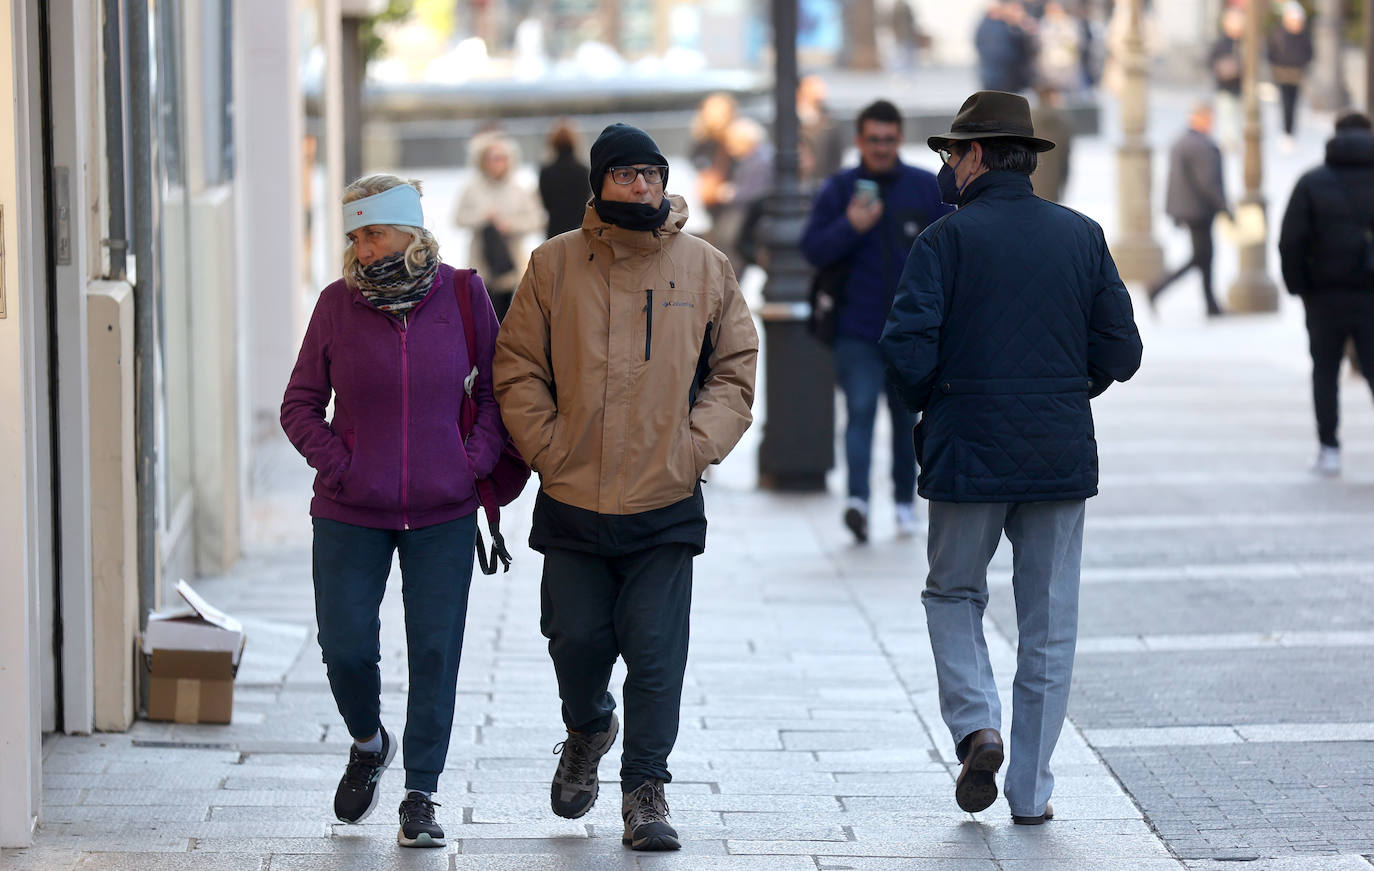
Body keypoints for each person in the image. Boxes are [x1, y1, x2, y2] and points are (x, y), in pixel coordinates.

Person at [493, 123, 758, 852]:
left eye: (652, 174)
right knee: (574, 638)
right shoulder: (552, 265)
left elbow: (736, 364)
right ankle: (586, 727)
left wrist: (694, 447)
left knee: (655, 651)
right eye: (626, 175)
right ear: (600, 184)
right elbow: (515, 366)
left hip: (664, 500)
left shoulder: (704, 266)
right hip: (574, 495)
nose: (642, 187)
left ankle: (646, 789)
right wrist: (549, 448)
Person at [880, 90, 1142, 826]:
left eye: (949, 153)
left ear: (976, 156)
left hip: (967, 448)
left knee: (954, 593)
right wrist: (1066, 386)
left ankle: (977, 726)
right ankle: (1029, 791)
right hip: (1059, 450)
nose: (944, 167)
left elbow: (904, 351)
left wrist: (945, 397)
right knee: (1049, 623)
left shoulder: (943, 241)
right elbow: (1123, 351)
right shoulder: (1082, 236)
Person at [280, 175, 508, 848]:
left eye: (372, 231)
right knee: (344, 644)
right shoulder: (335, 305)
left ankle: (421, 794)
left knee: (435, 651)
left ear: (410, 230)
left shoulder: (464, 297)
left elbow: (498, 390)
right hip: (351, 509)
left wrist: (471, 459)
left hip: (443, 508)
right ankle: (367, 738)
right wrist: (340, 463)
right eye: (354, 234)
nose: (361, 246)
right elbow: (298, 405)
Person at [800, 99, 952, 543]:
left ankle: (904, 502)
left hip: (910, 334)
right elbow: (813, 249)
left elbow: (950, 249)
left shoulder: (924, 188)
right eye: (873, 140)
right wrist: (851, 225)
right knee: (861, 412)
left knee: (906, 420)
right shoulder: (841, 189)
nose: (882, 148)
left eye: (889, 139)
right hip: (857, 329)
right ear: (860, 141)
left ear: (898, 139)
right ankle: (858, 501)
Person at [1278, 110, 1374, 477]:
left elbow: (1291, 241)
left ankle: (1329, 449)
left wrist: (1299, 287)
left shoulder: (1312, 182)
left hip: (1324, 296)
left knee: (1325, 371)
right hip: (1370, 295)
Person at [453, 130, 546, 320]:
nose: (497, 163)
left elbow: (536, 220)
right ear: (482, 160)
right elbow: (458, 219)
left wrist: (509, 225)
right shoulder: (472, 188)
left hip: (511, 266)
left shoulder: (519, 189)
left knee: (509, 320)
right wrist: (483, 218)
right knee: (481, 318)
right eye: (492, 158)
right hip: (481, 265)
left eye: (502, 158)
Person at [1149, 102, 1229, 317]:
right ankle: (1157, 288)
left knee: (1204, 257)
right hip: (1199, 210)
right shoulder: (1201, 145)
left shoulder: (1181, 141)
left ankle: (1211, 304)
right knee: (1200, 257)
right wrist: (1224, 206)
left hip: (1188, 208)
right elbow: (1208, 182)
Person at [1268, 1, 1314, 154]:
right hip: (1282, 74)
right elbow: (1271, 52)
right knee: (1285, 104)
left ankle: (1290, 132)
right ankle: (1285, 132)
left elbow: (1309, 53)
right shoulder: (1279, 33)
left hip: (1296, 75)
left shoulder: (1303, 36)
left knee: (1293, 104)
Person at [539, 118, 592, 238]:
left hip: (554, 228)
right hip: (577, 228)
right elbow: (586, 200)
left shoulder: (546, 171)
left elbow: (545, 202)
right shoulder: (583, 170)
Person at [975, 1, 1037, 94]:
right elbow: (1005, 55)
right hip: (1000, 81)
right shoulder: (995, 27)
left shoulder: (1007, 27)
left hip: (1006, 81)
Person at [1208, 7, 1245, 152]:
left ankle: (1234, 140)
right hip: (1225, 84)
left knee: (1237, 114)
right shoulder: (1221, 42)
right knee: (1226, 113)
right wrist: (1224, 67)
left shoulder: (1243, 42)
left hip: (1239, 85)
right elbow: (1212, 60)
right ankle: (1228, 140)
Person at [1030, 85, 1073, 202]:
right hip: (1052, 183)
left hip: (1029, 185)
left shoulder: (1027, 120)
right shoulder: (1061, 123)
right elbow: (1065, 157)